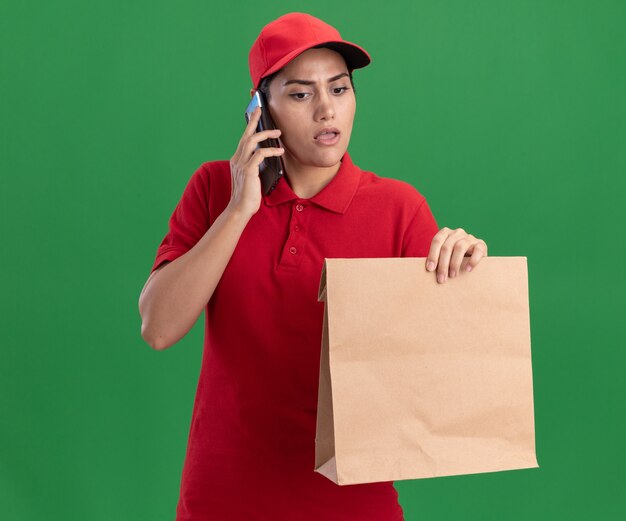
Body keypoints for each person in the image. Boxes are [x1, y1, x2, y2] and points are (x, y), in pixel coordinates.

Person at [138, 12, 488, 521]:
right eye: (301, 94)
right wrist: (240, 209)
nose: (327, 110)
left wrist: (465, 270)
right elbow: (158, 327)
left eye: (339, 89)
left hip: (352, 500)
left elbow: (439, 372)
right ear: (260, 110)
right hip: (222, 499)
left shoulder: (399, 208)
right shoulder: (215, 189)